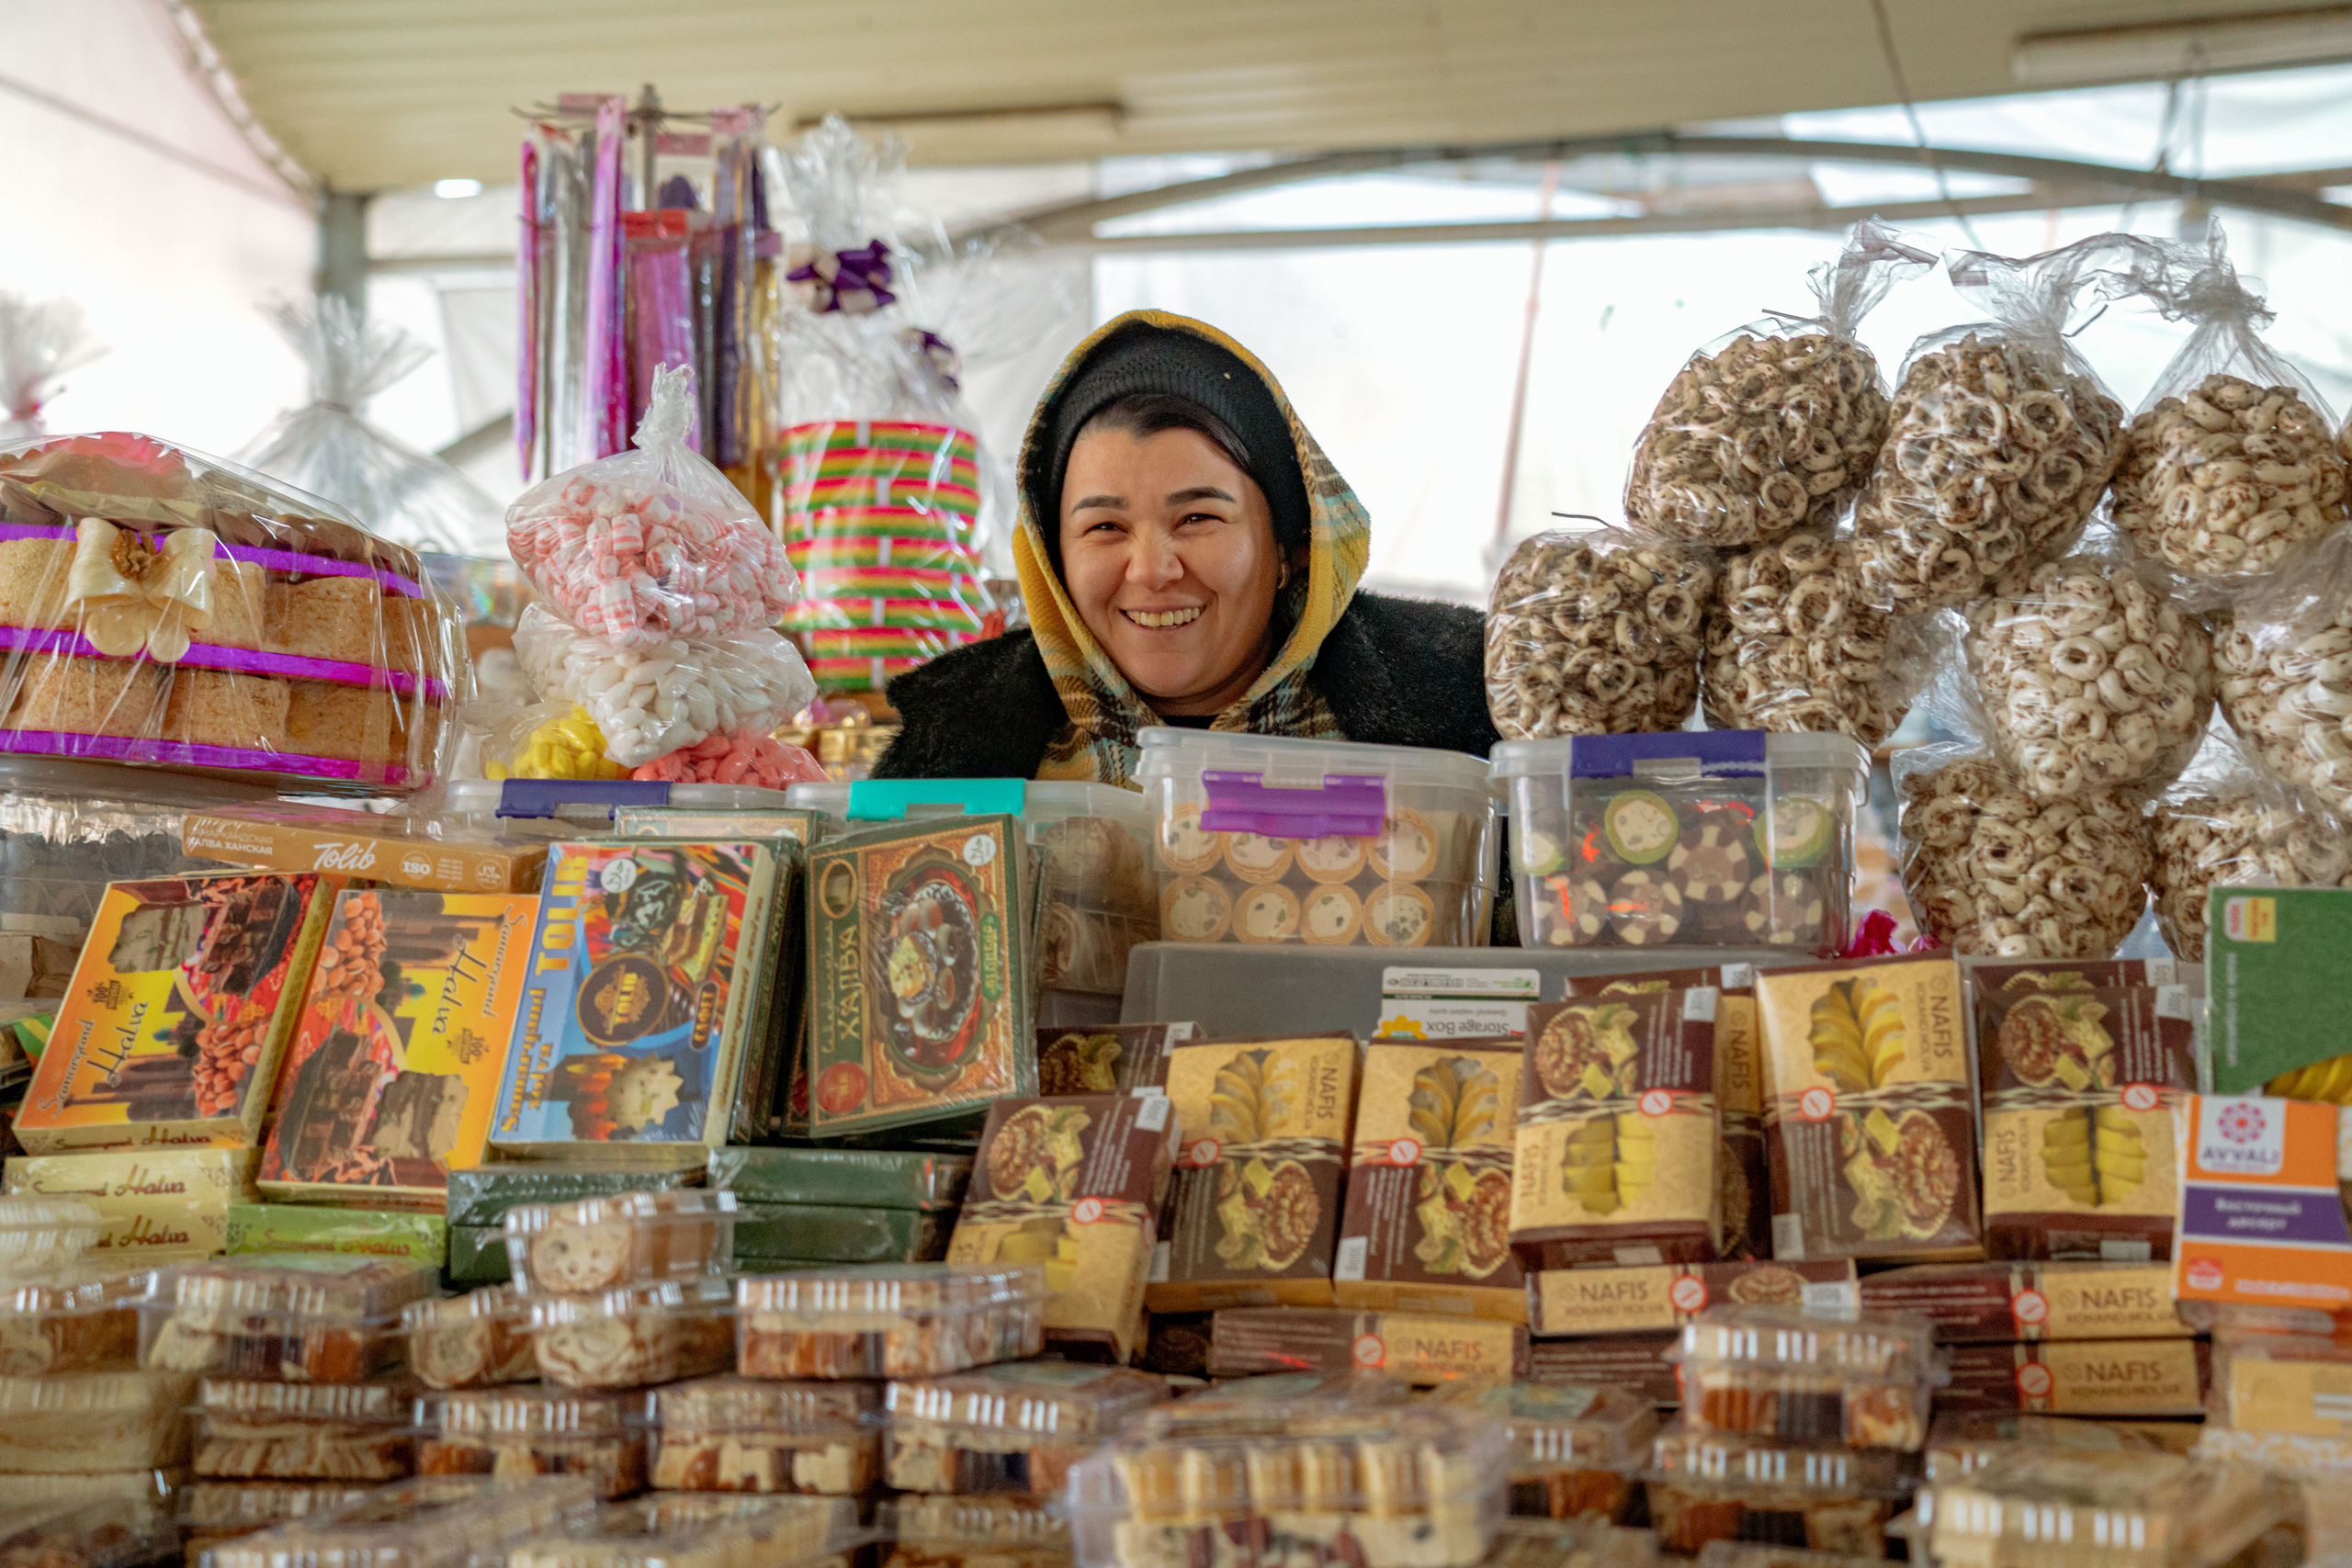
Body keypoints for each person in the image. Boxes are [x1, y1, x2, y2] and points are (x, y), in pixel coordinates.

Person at [876, 310, 1498, 784]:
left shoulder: (1460, 706)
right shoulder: (954, 750)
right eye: (1105, 527)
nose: (1152, 570)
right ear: (1053, 559)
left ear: (1289, 547)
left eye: (1198, 517)